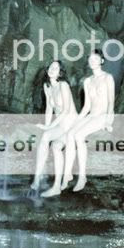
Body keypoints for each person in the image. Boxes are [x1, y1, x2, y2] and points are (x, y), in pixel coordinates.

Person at [62, 50, 115, 192]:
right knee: (70, 133)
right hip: (91, 115)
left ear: (101, 61)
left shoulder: (108, 77)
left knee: (79, 135)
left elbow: (111, 102)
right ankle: (67, 174)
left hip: (102, 115)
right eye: (90, 59)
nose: (92, 61)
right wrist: (76, 121)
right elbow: (86, 107)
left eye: (95, 58)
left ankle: (82, 177)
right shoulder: (87, 81)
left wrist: (108, 122)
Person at [30, 60, 78, 197]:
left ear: (60, 73)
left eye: (56, 68)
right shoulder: (47, 86)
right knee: (55, 146)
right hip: (61, 125)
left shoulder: (63, 85)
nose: (52, 69)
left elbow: (66, 110)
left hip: (72, 125)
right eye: (51, 67)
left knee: (48, 138)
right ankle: (54, 186)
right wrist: (47, 127)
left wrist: (49, 126)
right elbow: (49, 109)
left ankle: (38, 179)